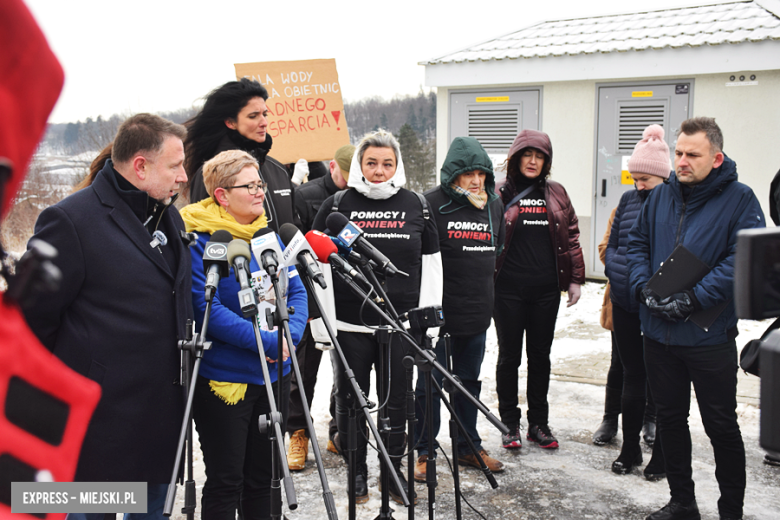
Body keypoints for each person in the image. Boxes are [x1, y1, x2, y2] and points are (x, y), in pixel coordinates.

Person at [23, 113, 193, 519]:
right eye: (175, 165)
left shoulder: (166, 214)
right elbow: (31, 320)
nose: (185, 176)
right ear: (140, 165)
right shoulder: (71, 220)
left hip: (159, 423)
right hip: (96, 430)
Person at [628, 117, 764, 520]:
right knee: (670, 420)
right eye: (679, 153)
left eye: (692, 154)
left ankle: (731, 511)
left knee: (721, 425)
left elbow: (742, 258)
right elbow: (636, 244)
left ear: (716, 157)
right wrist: (641, 287)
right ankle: (682, 502)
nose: (682, 161)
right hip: (658, 334)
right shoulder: (661, 196)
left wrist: (694, 297)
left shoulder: (741, 199)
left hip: (708, 337)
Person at [312, 129, 442, 505]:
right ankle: (356, 475)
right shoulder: (337, 205)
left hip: (399, 325)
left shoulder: (416, 205)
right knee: (352, 402)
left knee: (397, 403)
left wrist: (427, 318)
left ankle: (391, 474)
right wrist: (321, 323)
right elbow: (315, 266)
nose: (379, 170)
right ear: (359, 165)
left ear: (397, 165)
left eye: (387, 163)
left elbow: (431, 263)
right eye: (371, 163)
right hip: (350, 326)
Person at [180, 149, 308, 520]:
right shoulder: (202, 240)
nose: (259, 192)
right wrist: (270, 342)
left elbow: (296, 292)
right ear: (222, 194)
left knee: (265, 478)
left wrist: (290, 336)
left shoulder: (267, 235)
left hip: (276, 376)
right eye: (249, 185)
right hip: (226, 383)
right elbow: (207, 309)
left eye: (260, 184)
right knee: (226, 480)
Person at [413, 136, 505, 481]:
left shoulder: (493, 205)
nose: (476, 180)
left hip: (478, 313)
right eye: (469, 174)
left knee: (469, 382)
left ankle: (467, 446)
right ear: (454, 174)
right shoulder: (430, 204)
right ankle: (423, 451)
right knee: (429, 386)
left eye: (481, 173)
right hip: (438, 316)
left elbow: (499, 250)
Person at [494, 129, 585, 450]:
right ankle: (509, 423)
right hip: (507, 291)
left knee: (540, 357)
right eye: (527, 155)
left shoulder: (557, 193)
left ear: (546, 162)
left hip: (546, 291)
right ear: (516, 157)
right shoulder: (500, 193)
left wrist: (575, 278)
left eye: (539, 156)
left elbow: (571, 236)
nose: (532, 161)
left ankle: (539, 424)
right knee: (509, 357)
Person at [604, 124, 669, 479]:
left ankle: (660, 454)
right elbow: (613, 245)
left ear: (662, 176)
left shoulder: (675, 202)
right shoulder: (628, 201)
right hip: (627, 302)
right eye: (635, 177)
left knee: (661, 381)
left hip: (659, 307)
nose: (638, 184)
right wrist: (619, 272)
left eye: (645, 179)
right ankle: (630, 450)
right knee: (632, 376)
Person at [286, 144, 355, 470]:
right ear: (332, 167)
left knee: (345, 369)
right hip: (312, 293)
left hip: (347, 297)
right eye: (347, 173)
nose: (352, 180)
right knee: (304, 369)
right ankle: (297, 432)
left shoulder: (359, 198)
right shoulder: (305, 194)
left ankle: (338, 430)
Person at [184, 78, 301, 232]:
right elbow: (202, 232)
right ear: (230, 122)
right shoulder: (212, 173)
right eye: (253, 116)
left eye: (265, 114)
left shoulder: (278, 169)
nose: (264, 122)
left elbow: (296, 227)